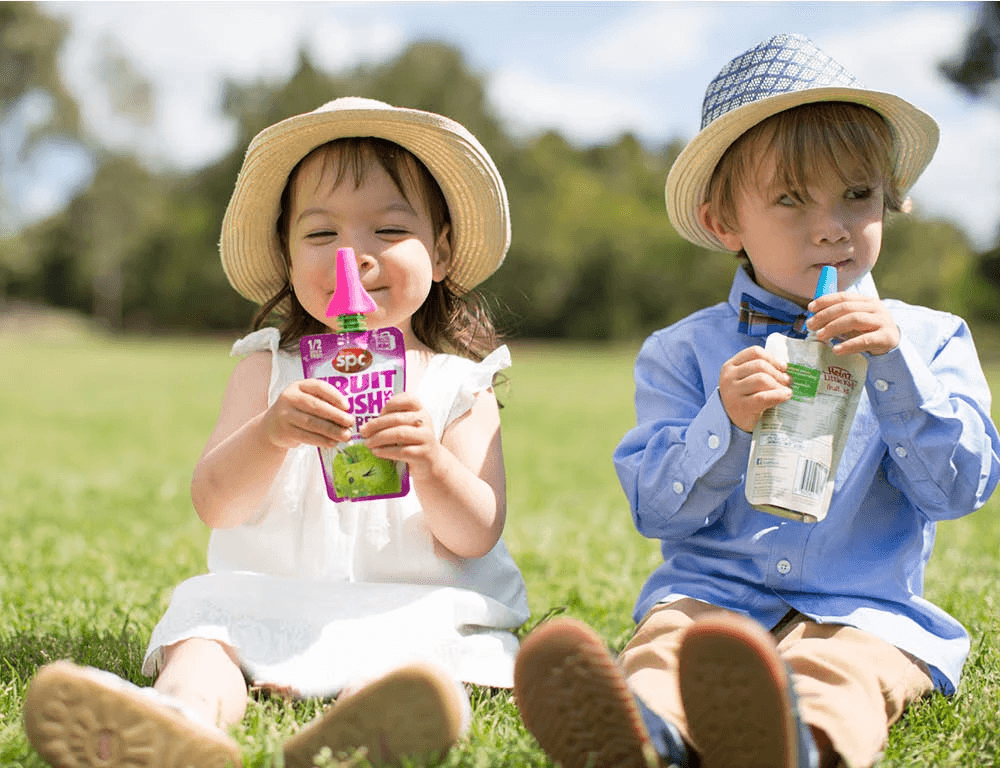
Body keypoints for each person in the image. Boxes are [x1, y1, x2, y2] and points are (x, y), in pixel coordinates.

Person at [513, 33, 1000, 768]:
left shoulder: (929, 341)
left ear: (890, 202)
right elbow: (657, 510)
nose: (832, 226)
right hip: (710, 600)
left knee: (840, 674)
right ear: (723, 223)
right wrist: (725, 423)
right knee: (670, 646)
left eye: (858, 195)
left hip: (859, 610)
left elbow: (961, 489)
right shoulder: (682, 353)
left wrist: (894, 368)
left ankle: (797, 747)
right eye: (790, 199)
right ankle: (644, 739)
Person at [24, 96, 529, 768]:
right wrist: (270, 432)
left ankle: (373, 718)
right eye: (321, 236)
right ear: (287, 259)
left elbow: (476, 532)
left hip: (413, 607)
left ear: (439, 252)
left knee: (426, 662)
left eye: (388, 231)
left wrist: (432, 462)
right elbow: (215, 503)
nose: (354, 256)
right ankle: (182, 718)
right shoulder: (268, 366)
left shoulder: (460, 382)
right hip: (271, 597)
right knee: (206, 635)